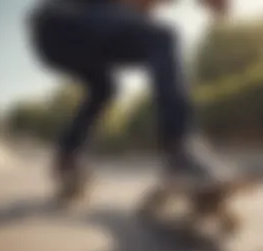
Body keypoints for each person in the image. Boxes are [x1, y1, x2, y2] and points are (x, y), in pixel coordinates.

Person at [28, 0, 230, 199]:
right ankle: (181, 153)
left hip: (55, 39)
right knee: (161, 38)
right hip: (63, 19)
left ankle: (67, 158)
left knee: (104, 88)